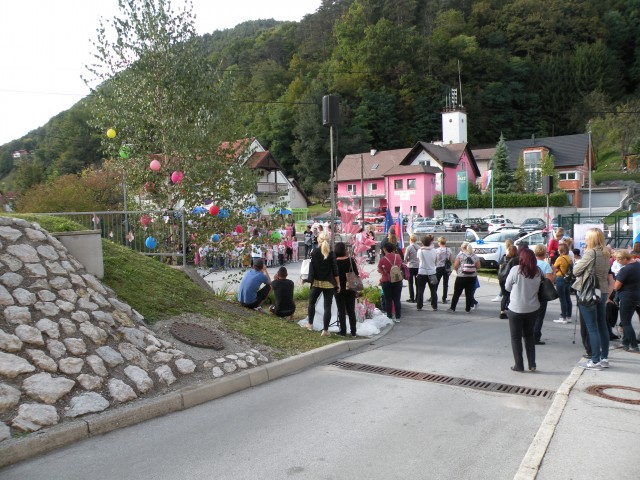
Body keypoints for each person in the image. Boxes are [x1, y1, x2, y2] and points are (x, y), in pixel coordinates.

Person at [573, 228, 611, 370]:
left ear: (593, 239)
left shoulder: (591, 252)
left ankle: (595, 360)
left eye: (587, 237)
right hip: (603, 290)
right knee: (602, 325)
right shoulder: (606, 253)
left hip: (589, 291)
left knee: (592, 327)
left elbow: (576, 271)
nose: (585, 240)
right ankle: (604, 358)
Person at [505, 248, 540, 372]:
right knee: (529, 335)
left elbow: (507, 287)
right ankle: (532, 364)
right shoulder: (537, 271)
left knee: (516, 337)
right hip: (532, 308)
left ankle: (519, 365)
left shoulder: (516, 270)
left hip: (516, 308)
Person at [306, 232, 339, 337]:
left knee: (311, 303)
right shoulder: (331, 253)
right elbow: (335, 270)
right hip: (329, 283)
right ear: (328, 240)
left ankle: (310, 324)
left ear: (318, 240)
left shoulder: (313, 252)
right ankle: (325, 330)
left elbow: (312, 268)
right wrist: (338, 284)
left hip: (316, 282)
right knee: (327, 307)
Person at [613, 249, 640, 352]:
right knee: (627, 320)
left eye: (619, 260)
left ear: (625, 258)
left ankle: (633, 344)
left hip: (627, 297)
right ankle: (626, 343)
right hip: (636, 295)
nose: (618, 262)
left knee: (625, 322)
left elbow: (617, 286)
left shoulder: (626, 269)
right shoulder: (638, 265)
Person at [448, 242, 480, 314]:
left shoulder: (460, 255)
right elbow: (478, 266)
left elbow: (456, 265)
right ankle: (468, 309)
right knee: (469, 293)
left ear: (463, 247)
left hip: (461, 276)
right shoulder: (474, 256)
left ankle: (453, 308)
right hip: (472, 277)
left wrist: (457, 271)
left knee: (457, 293)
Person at [335, 242, 359, 337]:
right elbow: (356, 273)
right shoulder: (350, 260)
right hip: (350, 287)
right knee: (351, 310)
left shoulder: (335, 262)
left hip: (339, 288)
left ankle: (343, 331)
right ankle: (353, 332)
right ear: (345, 250)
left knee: (341, 310)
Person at [378, 242, 404, 322]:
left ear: (385, 249)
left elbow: (379, 269)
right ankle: (398, 317)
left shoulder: (383, 259)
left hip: (386, 280)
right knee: (397, 299)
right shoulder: (398, 257)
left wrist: (384, 272)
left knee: (388, 299)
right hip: (397, 280)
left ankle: (389, 316)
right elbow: (400, 266)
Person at [534, 244, 553, 345]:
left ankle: (529, 335)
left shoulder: (532, 263)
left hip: (531, 290)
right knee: (539, 315)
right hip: (541, 292)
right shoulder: (545, 265)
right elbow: (550, 280)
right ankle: (536, 336)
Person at [552, 243, 573, 325]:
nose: (557, 250)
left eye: (558, 249)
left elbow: (554, 267)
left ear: (561, 250)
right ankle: (568, 316)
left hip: (560, 278)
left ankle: (563, 316)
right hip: (567, 279)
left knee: (562, 298)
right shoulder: (569, 258)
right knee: (568, 298)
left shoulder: (560, 258)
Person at [416, 235, 438, 311]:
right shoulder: (435, 251)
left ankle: (419, 305)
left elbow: (419, 260)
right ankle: (434, 305)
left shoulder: (420, 251)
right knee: (433, 290)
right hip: (432, 272)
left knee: (420, 290)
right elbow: (435, 261)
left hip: (422, 272)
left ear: (422, 243)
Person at [498, 245, 518, 319]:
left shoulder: (503, 257)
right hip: (510, 279)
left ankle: (502, 311)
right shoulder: (516, 259)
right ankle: (511, 310)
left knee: (505, 295)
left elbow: (500, 267)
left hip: (502, 278)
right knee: (511, 295)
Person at [493, 238, 513, 303]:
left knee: (504, 285)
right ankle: (500, 296)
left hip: (506, 270)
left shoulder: (508, 251)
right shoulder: (513, 249)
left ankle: (501, 296)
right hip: (509, 270)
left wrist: (500, 269)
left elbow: (503, 262)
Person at [435, 236, 453, 304]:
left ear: (439, 243)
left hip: (439, 267)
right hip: (446, 268)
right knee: (445, 283)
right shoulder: (448, 250)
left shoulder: (437, 250)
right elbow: (451, 259)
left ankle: (434, 296)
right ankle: (444, 298)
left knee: (436, 283)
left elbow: (435, 260)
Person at [404, 234, 421, 303]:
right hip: (418, 266)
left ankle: (411, 297)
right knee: (417, 283)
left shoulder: (409, 247)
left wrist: (407, 260)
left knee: (410, 283)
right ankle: (417, 297)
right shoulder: (419, 247)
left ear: (410, 240)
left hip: (411, 266)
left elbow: (405, 258)